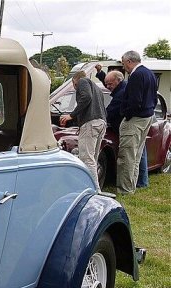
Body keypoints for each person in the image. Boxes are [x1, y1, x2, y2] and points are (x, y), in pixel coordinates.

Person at [116, 50, 158, 195]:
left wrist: (126, 114)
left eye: (123, 64)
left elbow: (135, 101)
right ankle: (131, 186)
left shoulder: (137, 75)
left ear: (129, 61)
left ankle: (125, 189)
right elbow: (154, 98)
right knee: (136, 155)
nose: (123, 67)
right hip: (147, 117)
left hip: (135, 119)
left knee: (127, 156)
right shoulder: (150, 74)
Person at [59, 70, 106, 191]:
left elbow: (86, 97)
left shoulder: (83, 81)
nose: (76, 89)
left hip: (90, 123)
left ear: (75, 81)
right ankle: (90, 186)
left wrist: (72, 115)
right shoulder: (97, 88)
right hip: (101, 123)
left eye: (75, 86)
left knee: (86, 158)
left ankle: (95, 191)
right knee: (93, 159)